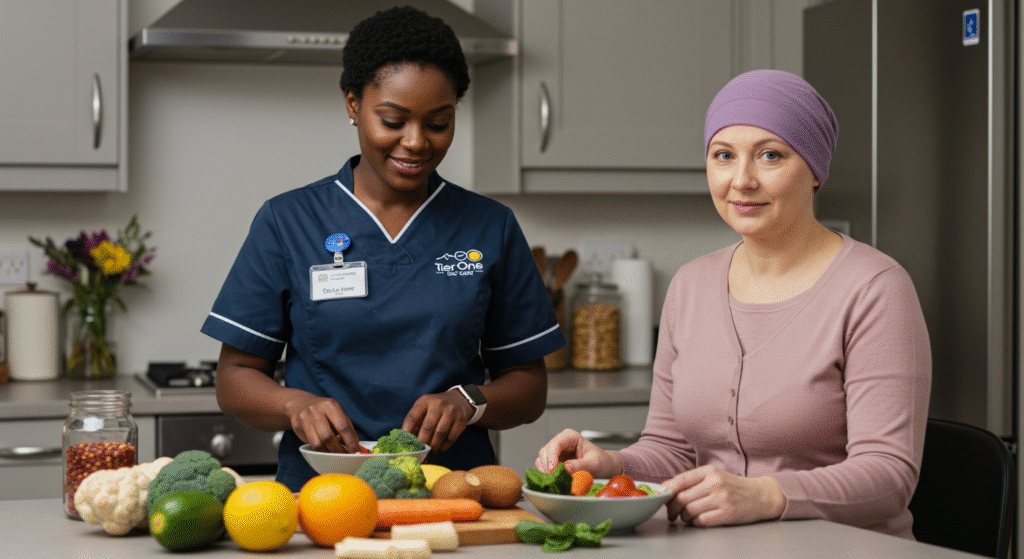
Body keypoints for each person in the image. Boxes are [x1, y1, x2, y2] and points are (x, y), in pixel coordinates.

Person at [534, 69, 931, 539]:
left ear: (815, 169)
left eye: (770, 156)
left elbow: (889, 477)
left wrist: (767, 495)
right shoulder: (690, 286)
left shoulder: (875, 289)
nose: (741, 181)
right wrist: (610, 463)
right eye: (723, 156)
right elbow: (673, 452)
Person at [202, 6, 565, 492]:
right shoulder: (288, 221)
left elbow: (528, 385)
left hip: (450, 493)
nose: (415, 142)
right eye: (393, 120)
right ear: (353, 104)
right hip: (321, 494)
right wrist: (294, 404)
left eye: (439, 123)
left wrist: (469, 399)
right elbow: (235, 376)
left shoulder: (489, 226)